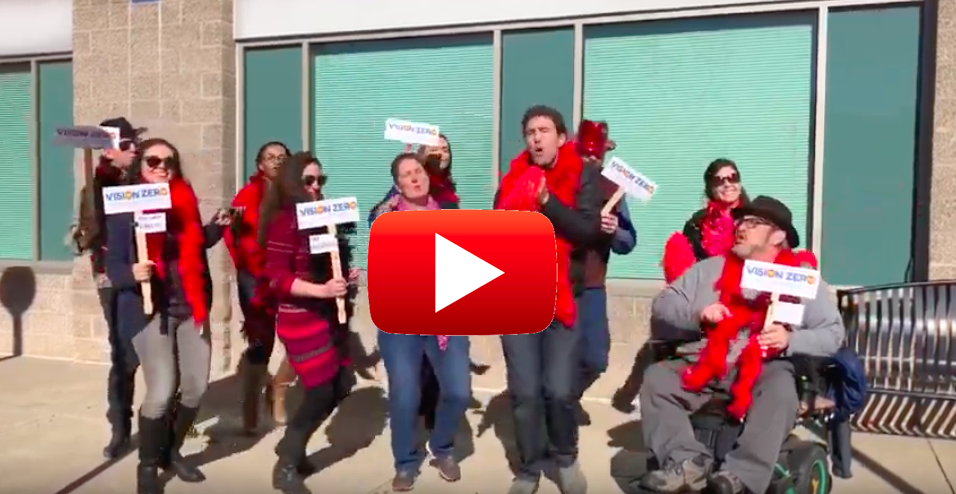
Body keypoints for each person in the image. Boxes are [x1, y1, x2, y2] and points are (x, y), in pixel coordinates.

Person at [637, 196, 845, 494]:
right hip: (707, 364)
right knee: (658, 379)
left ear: (778, 235)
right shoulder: (710, 270)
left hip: (764, 369)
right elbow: (664, 306)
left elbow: (833, 333)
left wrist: (790, 339)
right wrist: (697, 315)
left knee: (779, 387)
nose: (740, 228)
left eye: (752, 223)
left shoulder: (798, 280)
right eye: (740, 221)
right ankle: (686, 461)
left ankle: (742, 475)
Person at [494, 105, 604, 494]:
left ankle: (565, 456)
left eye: (544, 130)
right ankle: (528, 467)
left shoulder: (585, 173)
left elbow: (588, 231)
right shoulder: (512, 179)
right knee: (524, 393)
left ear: (561, 138)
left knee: (558, 390)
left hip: (562, 298)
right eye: (529, 132)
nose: (536, 137)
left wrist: (547, 203)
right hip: (518, 297)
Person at [104, 138, 213, 494]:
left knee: (195, 388)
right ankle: (148, 465)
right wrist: (130, 274)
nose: (162, 166)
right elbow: (113, 266)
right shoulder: (126, 206)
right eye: (153, 161)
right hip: (150, 311)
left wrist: (220, 228)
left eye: (169, 160)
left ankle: (172, 451)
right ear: (141, 167)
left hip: (190, 308)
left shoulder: (185, 202)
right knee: (163, 390)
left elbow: (196, 249)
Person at [259, 151, 360, 494]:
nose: (316, 186)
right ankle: (286, 463)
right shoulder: (282, 220)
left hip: (331, 315)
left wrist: (345, 276)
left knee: (343, 382)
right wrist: (320, 290)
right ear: (292, 182)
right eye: (309, 180)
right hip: (300, 318)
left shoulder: (322, 216)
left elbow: (328, 262)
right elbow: (275, 276)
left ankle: (293, 446)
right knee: (319, 391)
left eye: (320, 180)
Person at [371, 153, 472, 492]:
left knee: (458, 391)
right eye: (406, 175)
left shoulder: (449, 214)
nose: (414, 178)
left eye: (418, 171)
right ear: (397, 185)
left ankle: (441, 446)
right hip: (400, 320)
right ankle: (405, 462)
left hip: (445, 318)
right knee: (405, 395)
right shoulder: (386, 217)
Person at [73, 116, 145, 459]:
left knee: (166, 355)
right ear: (109, 150)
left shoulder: (144, 179)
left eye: (136, 144)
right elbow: (92, 237)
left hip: (151, 274)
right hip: (114, 281)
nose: (135, 150)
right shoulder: (96, 187)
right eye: (127, 145)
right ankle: (120, 427)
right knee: (125, 356)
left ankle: (174, 425)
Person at [224, 141, 298, 434]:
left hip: (293, 275)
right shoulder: (246, 196)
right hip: (256, 277)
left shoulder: (302, 192)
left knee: (300, 338)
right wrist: (250, 269)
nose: (277, 161)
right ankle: (251, 405)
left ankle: (278, 389)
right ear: (260, 165)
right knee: (261, 342)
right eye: (271, 157)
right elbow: (233, 236)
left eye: (282, 157)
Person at [571, 120, 637, 423]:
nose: (589, 161)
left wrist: (614, 231)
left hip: (593, 286)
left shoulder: (613, 188)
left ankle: (568, 399)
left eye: (595, 156)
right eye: (583, 155)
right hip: (556, 282)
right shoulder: (562, 181)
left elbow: (628, 242)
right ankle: (556, 404)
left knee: (596, 357)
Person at [661, 159, 749, 283]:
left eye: (733, 177)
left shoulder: (756, 218)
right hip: (707, 292)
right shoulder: (697, 222)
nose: (727, 184)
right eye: (719, 180)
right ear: (710, 188)